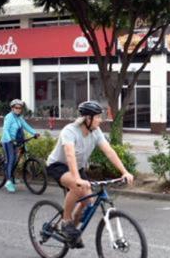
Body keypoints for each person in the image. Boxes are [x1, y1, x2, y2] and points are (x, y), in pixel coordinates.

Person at [46, 101, 134, 245]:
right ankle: (65, 221)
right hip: (58, 165)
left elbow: (109, 152)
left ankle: (71, 233)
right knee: (78, 186)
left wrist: (124, 172)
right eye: (98, 117)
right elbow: (70, 155)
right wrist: (76, 179)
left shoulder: (96, 132)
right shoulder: (70, 131)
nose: (100, 120)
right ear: (88, 118)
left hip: (78, 168)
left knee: (88, 202)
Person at [1, 99, 38, 193]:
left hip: (17, 141)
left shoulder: (19, 118)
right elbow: (5, 129)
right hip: (8, 141)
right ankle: (8, 181)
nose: (18, 110)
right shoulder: (9, 117)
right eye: (16, 108)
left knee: (16, 160)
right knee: (11, 160)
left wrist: (35, 133)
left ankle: (12, 177)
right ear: (12, 108)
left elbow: (26, 126)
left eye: (20, 108)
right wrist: (10, 139)